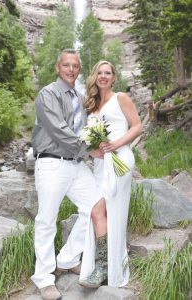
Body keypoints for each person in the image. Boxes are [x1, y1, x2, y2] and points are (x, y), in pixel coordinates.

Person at [31, 49, 103, 300]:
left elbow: (86, 128)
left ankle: (68, 257)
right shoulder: (48, 94)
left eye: (75, 66)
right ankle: (43, 279)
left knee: (96, 206)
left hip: (75, 164)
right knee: (46, 220)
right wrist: (90, 150)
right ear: (57, 67)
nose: (71, 69)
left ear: (79, 69)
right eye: (66, 65)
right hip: (52, 164)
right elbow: (59, 130)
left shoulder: (79, 97)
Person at [79, 60, 142, 288]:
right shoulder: (92, 105)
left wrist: (115, 144)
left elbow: (137, 126)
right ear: (95, 76)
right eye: (100, 72)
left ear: (114, 77)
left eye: (108, 73)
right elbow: (90, 143)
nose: (104, 76)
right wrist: (95, 150)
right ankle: (107, 263)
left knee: (101, 209)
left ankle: (104, 267)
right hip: (101, 164)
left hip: (120, 161)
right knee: (98, 213)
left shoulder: (121, 98)